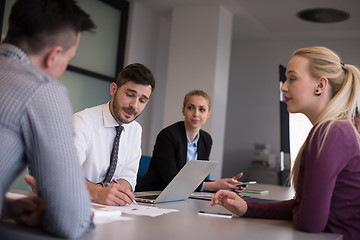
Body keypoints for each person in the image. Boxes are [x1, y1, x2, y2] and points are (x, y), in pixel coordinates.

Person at [211, 46, 360, 240]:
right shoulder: (334, 129)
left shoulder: (330, 132)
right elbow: (302, 206)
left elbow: (311, 222)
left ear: (320, 85)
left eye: (293, 78)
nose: (283, 86)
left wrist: (299, 211)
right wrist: (246, 207)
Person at [0, 0, 95, 238]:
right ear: (54, 55)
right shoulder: (40, 88)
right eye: (69, 60)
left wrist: (7, 207)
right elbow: (71, 221)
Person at [73, 63, 155, 206]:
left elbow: (128, 178)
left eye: (142, 100)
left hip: (110, 210)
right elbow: (65, 172)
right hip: (76, 202)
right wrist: (96, 192)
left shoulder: (135, 130)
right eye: (130, 95)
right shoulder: (82, 122)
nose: (134, 105)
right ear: (113, 89)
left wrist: (111, 193)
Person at [136, 90, 244, 192]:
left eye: (202, 109)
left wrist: (225, 185)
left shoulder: (206, 140)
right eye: (191, 108)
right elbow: (170, 181)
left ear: (208, 114)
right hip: (153, 195)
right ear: (183, 110)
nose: (196, 114)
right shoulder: (168, 136)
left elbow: (199, 181)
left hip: (183, 196)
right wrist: (214, 186)